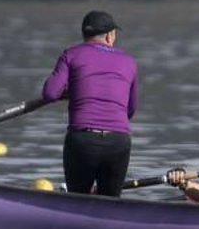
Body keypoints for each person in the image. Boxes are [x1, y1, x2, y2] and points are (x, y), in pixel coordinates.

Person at [41, 10, 138, 197]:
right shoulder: (129, 61)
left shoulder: (70, 55)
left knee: (78, 201)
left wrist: (72, 88)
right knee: (110, 203)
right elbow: (130, 110)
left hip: (83, 142)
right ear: (110, 35)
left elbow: (50, 94)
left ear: (84, 35)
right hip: (118, 141)